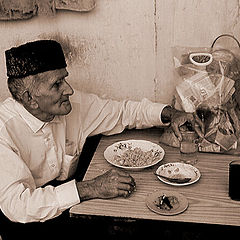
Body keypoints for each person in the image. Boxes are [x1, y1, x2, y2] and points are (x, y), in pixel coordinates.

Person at [0, 40, 204, 225]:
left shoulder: (72, 105)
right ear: (30, 98)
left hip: (72, 208)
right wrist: (92, 188)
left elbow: (123, 112)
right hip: (26, 223)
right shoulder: (3, 131)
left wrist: (171, 113)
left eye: (65, 79)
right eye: (57, 85)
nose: (69, 90)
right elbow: (18, 206)